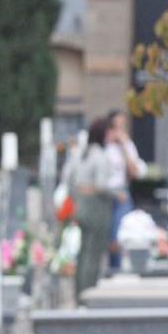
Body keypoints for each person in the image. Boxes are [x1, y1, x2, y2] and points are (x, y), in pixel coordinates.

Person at [66, 117, 120, 296]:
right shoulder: (100, 156)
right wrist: (117, 194)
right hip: (96, 206)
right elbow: (102, 185)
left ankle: (78, 291)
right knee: (93, 252)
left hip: (81, 204)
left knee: (83, 252)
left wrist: (78, 195)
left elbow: (69, 179)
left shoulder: (81, 153)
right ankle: (88, 292)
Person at [102, 110, 145, 269]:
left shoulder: (127, 146)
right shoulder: (103, 146)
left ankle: (117, 268)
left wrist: (124, 148)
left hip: (121, 193)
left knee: (119, 234)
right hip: (105, 194)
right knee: (107, 235)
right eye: (115, 126)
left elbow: (133, 171)